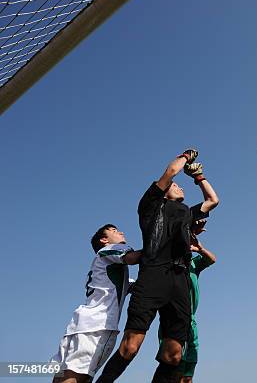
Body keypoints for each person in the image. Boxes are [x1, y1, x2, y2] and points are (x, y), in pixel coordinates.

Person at [96, 149, 219, 383]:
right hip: (153, 276)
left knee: (173, 355)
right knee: (130, 347)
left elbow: (213, 200)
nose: (178, 186)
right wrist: (186, 156)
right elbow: (171, 170)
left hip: (179, 280)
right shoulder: (150, 206)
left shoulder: (186, 213)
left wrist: (199, 177)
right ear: (163, 192)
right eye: (174, 185)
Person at [50, 224, 141, 383]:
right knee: (79, 377)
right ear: (104, 240)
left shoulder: (107, 270)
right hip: (98, 326)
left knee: (63, 376)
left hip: (80, 324)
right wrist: (162, 243)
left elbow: (136, 286)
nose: (121, 232)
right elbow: (133, 258)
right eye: (114, 231)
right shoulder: (107, 250)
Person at [157, 182, 219, 383]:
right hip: (174, 316)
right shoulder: (161, 222)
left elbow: (212, 259)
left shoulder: (192, 262)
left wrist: (198, 246)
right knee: (173, 365)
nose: (179, 187)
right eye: (174, 185)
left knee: (188, 370)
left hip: (190, 319)